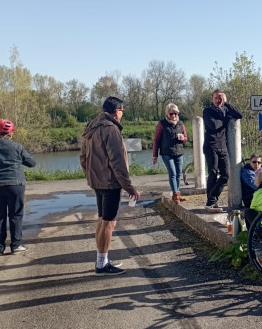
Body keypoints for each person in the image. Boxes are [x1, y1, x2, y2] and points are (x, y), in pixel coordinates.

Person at [80, 96, 140, 276]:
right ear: (116, 111)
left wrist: (91, 176)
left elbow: (83, 157)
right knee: (109, 223)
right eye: (122, 111)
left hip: (97, 181)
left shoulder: (91, 127)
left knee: (102, 219)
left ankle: (102, 259)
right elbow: (117, 162)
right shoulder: (111, 129)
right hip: (110, 182)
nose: (122, 114)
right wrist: (129, 187)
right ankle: (101, 265)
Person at [0, 119, 36, 255]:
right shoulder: (17, 147)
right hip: (15, 185)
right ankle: (16, 245)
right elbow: (32, 163)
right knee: (16, 215)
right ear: (11, 133)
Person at [203, 89, 242, 210]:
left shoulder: (226, 109)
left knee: (226, 175)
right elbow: (214, 125)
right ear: (212, 99)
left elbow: (239, 115)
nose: (218, 100)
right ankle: (211, 202)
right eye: (216, 98)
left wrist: (227, 104)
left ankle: (211, 197)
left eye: (220, 98)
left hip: (223, 147)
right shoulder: (207, 111)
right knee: (213, 173)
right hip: (211, 146)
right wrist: (225, 119)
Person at [153, 103, 188, 204]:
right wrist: (155, 155)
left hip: (179, 152)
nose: (173, 115)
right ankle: (175, 194)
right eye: (171, 113)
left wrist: (183, 138)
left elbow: (186, 138)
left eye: (175, 113)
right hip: (167, 153)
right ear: (167, 113)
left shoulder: (180, 124)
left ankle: (177, 194)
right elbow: (156, 140)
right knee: (172, 173)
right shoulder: (161, 124)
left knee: (178, 173)